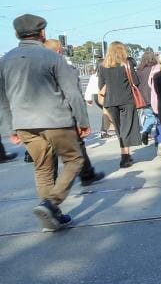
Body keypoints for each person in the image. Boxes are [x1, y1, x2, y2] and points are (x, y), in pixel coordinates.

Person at [0, 14, 91, 231]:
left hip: (24, 124)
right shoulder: (52, 57)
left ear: (16, 34)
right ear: (42, 33)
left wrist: (10, 127)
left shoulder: (5, 60)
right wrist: (83, 120)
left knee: (43, 167)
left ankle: (52, 217)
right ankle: (51, 204)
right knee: (74, 160)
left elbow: (2, 98)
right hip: (56, 120)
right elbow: (73, 94)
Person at [41, 39, 105, 186]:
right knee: (76, 149)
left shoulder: (35, 69)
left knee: (49, 154)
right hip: (62, 116)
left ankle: (52, 184)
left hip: (39, 118)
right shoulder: (64, 68)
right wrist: (82, 121)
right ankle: (86, 175)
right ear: (59, 51)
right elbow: (74, 96)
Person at [97, 41, 143, 168]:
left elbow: (101, 85)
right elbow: (136, 82)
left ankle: (125, 154)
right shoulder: (126, 64)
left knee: (119, 129)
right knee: (126, 127)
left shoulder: (102, 66)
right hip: (126, 99)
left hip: (110, 101)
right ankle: (125, 156)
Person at [136, 51, 161, 150]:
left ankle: (146, 131)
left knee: (149, 116)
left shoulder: (138, 70)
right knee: (159, 119)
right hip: (154, 96)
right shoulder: (155, 69)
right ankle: (158, 139)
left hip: (143, 98)